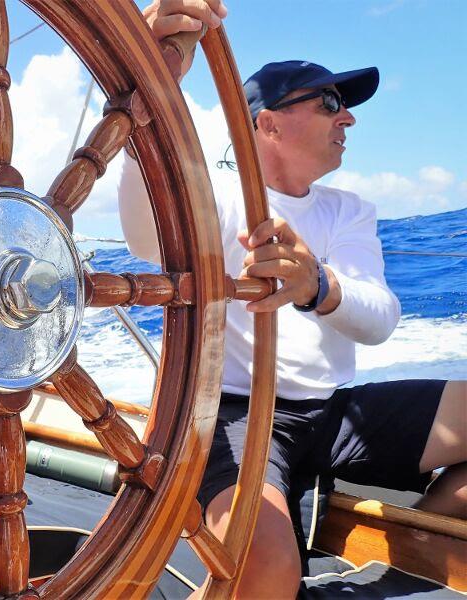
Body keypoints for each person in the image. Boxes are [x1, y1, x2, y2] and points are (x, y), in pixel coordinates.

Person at [119, 2, 467, 597]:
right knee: (272, 571)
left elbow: (379, 319)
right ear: (267, 124)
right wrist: (145, 85)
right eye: (328, 103)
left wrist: (316, 286)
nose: (348, 118)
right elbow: (147, 231)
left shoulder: (349, 210)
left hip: (330, 414)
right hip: (233, 419)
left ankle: (412, 552)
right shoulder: (215, 197)